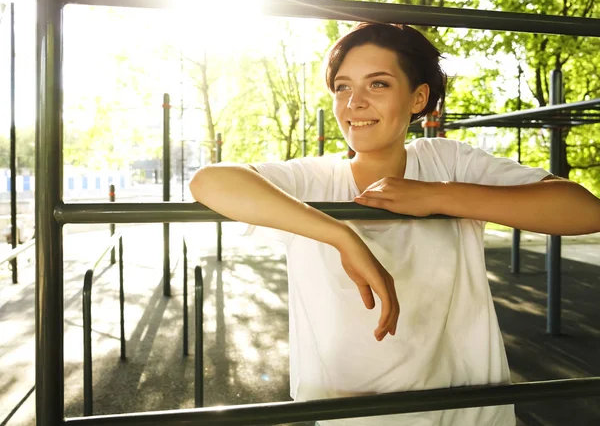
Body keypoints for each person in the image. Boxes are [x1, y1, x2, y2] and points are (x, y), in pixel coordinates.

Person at [189, 22, 600, 426]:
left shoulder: (447, 162)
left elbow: (584, 211)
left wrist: (438, 195)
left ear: (418, 97)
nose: (354, 102)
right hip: (352, 416)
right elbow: (210, 181)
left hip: (466, 411)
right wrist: (342, 235)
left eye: (378, 84)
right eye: (343, 87)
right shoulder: (312, 179)